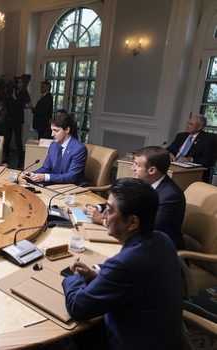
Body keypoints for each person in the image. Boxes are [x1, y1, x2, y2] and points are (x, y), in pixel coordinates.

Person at [62, 178, 183, 350]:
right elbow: (132, 272)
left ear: (133, 222)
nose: (104, 216)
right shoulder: (162, 239)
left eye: (110, 211)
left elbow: (78, 307)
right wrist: (97, 273)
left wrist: (73, 278)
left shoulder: (126, 264)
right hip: (164, 338)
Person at [85, 146, 186, 249]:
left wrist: (104, 221)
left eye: (137, 165)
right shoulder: (144, 183)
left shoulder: (171, 196)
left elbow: (150, 228)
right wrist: (97, 208)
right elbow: (123, 203)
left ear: (151, 170)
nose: (132, 168)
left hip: (158, 250)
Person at [26, 112, 87, 185]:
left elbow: (71, 177)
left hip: (71, 187)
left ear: (67, 130)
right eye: (52, 130)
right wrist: (31, 174)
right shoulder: (53, 145)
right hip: (54, 184)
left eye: (56, 130)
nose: (52, 134)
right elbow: (46, 168)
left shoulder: (79, 149)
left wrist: (45, 177)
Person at [3, 77, 31, 168]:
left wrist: (15, 97)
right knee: (7, 138)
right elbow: (6, 103)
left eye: (19, 82)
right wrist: (10, 95)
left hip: (17, 119)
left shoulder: (23, 93)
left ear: (22, 84)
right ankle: (6, 157)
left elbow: (24, 105)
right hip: (9, 118)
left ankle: (20, 159)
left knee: (18, 139)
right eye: (17, 82)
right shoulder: (10, 92)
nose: (18, 84)